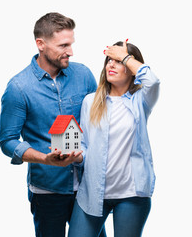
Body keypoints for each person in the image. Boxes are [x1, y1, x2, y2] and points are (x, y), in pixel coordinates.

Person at [0, 12, 106, 237]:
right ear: (41, 44)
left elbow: (99, 122)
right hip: (47, 191)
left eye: (71, 43)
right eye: (63, 45)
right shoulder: (19, 87)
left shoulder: (83, 74)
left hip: (87, 187)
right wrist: (44, 159)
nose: (70, 51)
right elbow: (8, 141)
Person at [68, 40, 160, 237]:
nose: (111, 64)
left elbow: (153, 80)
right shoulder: (90, 101)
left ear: (130, 67)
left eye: (118, 61)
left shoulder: (141, 100)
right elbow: (85, 146)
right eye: (109, 60)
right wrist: (76, 156)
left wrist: (124, 56)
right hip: (92, 191)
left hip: (131, 194)